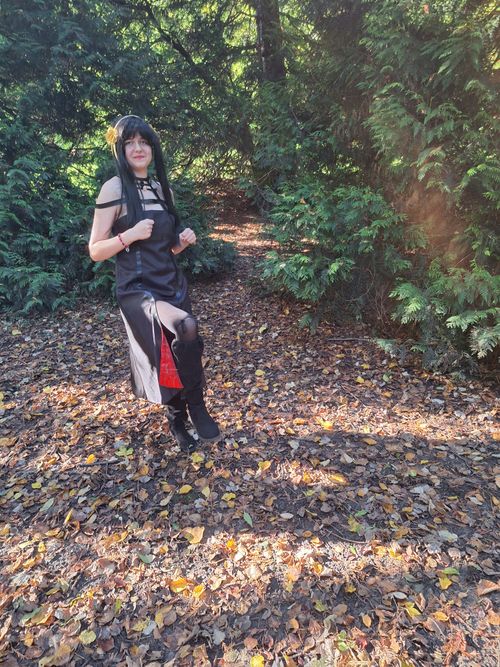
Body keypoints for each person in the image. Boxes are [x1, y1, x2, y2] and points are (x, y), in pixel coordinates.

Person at [89, 114, 220, 453]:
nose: (138, 148)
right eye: (130, 142)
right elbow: (95, 250)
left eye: (144, 142)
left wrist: (182, 242)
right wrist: (129, 234)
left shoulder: (162, 190)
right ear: (120, 149)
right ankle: (195, 408)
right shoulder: (114, 188)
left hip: (170, 282)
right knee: (186, 326)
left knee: (174, 349)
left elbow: (166, 247)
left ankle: (178, 418)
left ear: (152, 148)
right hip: (137, 289)